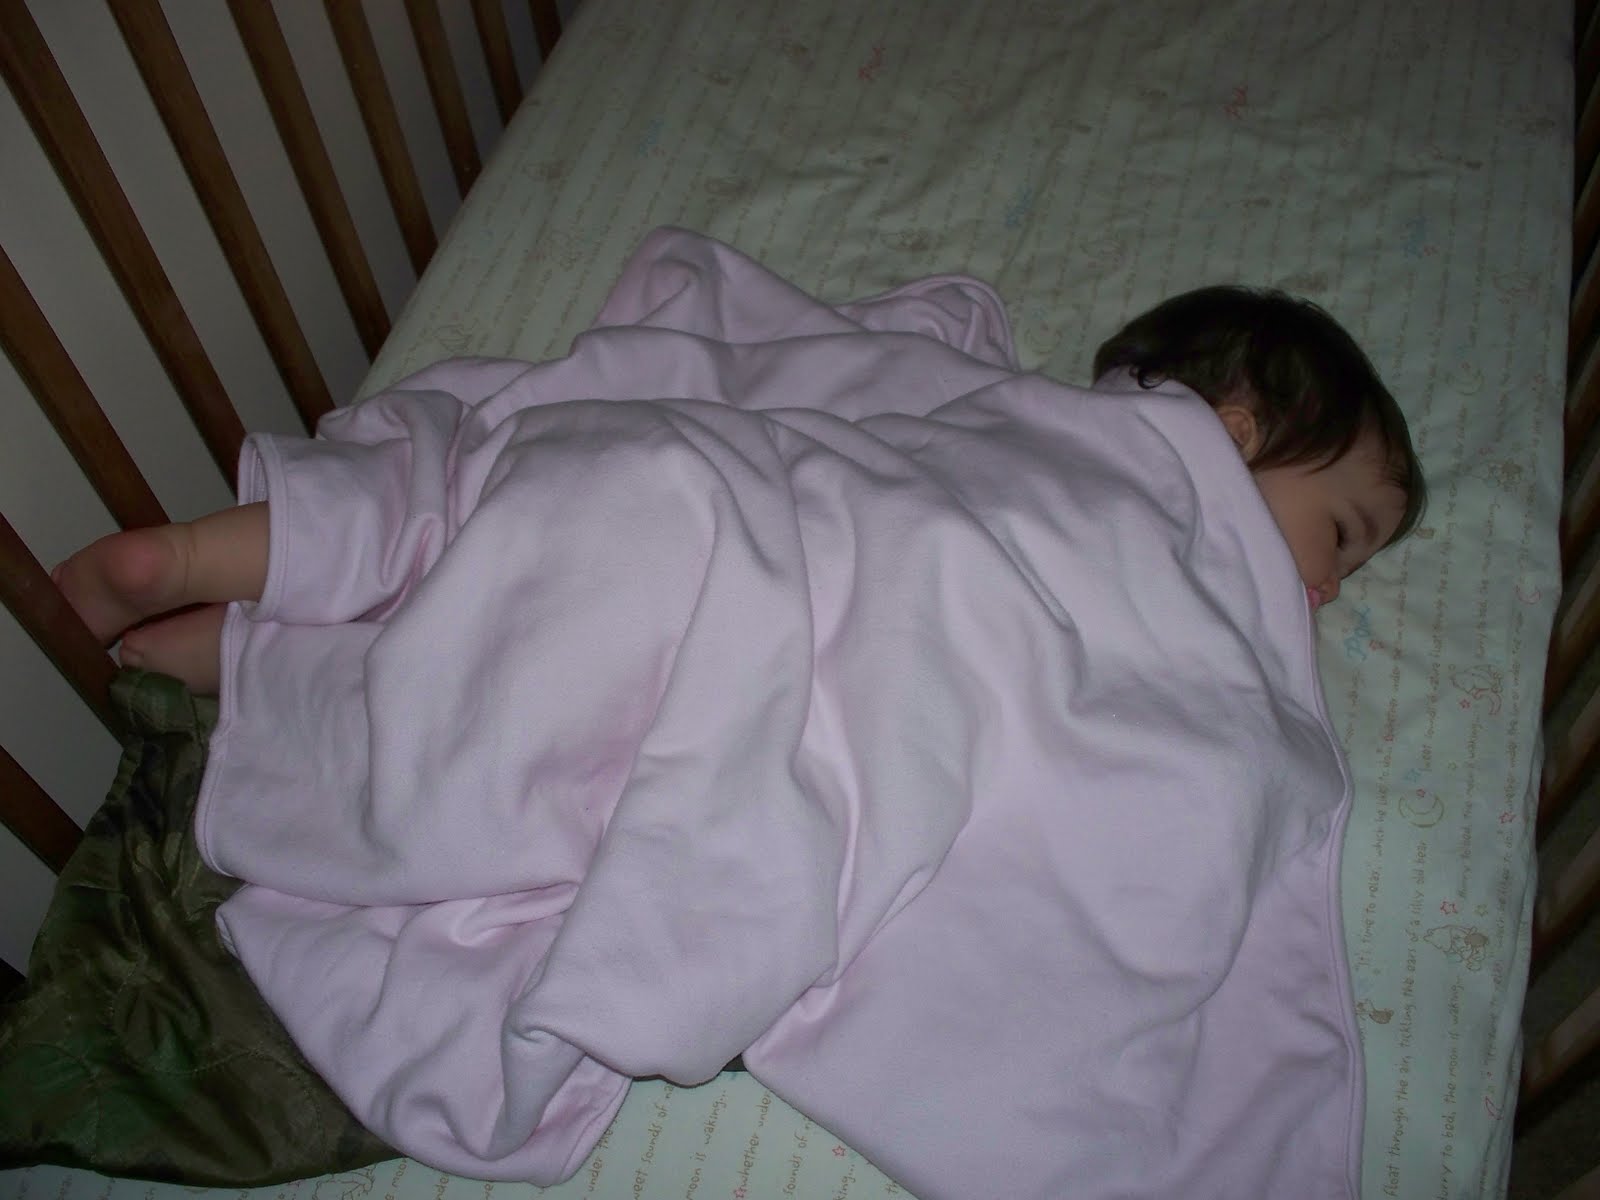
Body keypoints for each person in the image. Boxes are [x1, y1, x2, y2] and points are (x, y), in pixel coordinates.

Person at [52, 284, 1424, 696]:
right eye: (1341, 534)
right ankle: (234, 653)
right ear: (1234, 430)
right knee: (521, 640)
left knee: (477, 525)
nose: (1329, 583)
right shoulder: (1121, 474)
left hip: (700, 522)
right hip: (765, 545)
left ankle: (204, 579)